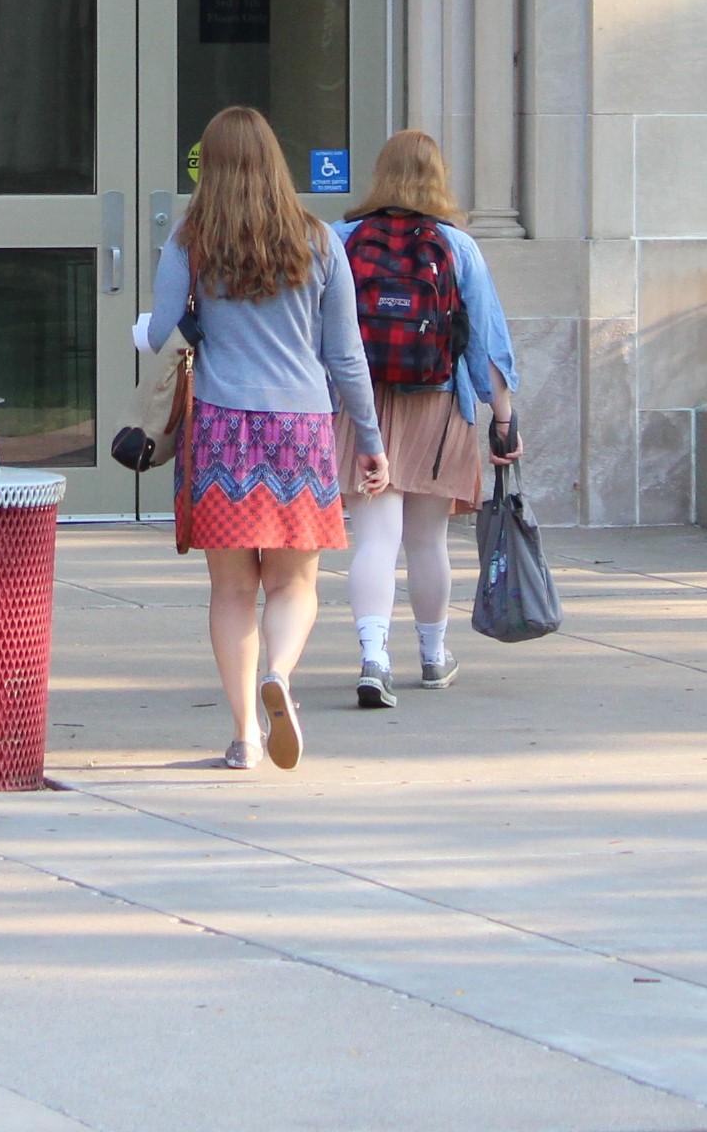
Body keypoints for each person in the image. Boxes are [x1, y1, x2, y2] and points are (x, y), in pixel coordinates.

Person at [135, 106, 388, 772]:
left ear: (209, 168)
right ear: (275, 162)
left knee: (231, 591)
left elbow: (160, 329)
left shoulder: (193, 239)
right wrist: (370, 438)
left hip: (221, 425)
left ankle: (245, 733)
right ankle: (280, 672)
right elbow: (345, 355)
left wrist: (196, 318)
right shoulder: (318, 241)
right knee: (295, 583)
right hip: (301, 429)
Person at [335, 129, 519, 707]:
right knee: (426, 540)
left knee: (374, 538)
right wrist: (503, 420)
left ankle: (373, 656)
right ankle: (435, 656)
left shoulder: (342, 239)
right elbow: (487, 343)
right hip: (437, 405)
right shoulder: (457, 246)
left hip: (362, 406)